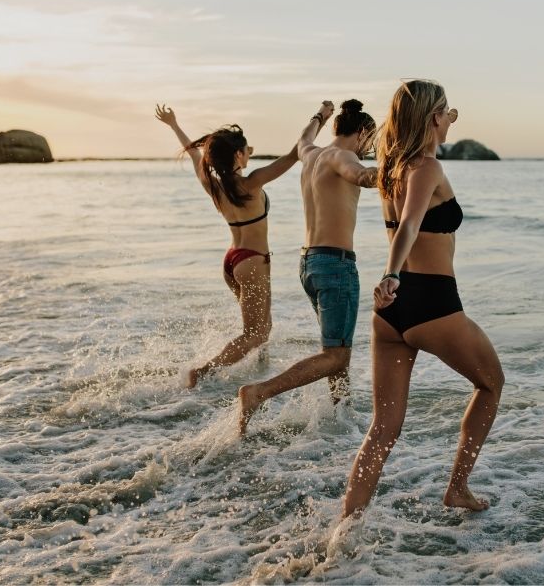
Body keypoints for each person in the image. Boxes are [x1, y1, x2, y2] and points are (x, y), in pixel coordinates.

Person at [342, 81, 505, 515]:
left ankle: (345, 525)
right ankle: (458, 488)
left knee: (383, 428)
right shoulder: (427, 168)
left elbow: (404, 221)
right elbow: (411, 225)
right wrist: (391, 273)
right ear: (433, 118)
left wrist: (446, 119)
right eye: (446, 112)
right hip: (433, 304)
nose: (451, 118)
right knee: (491, 384)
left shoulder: (392, 169)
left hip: (391, 315)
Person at [155, 102, 334, 388]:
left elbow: (193, 153)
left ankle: (258, 371)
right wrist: (320, 117)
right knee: (255, 334)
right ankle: (201, 373)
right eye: (247, 148)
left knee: (261, 328)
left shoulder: (213, 185)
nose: (250, 151)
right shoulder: (251, 183)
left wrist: (174, 124)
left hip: (232, 261)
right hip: (252, 261)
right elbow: (295, 153)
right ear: (237, 154)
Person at [238, 99, 378, 436]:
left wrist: (320, 115)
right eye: (371, 140)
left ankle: (341, 415)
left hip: (309, 263)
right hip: (335, 264)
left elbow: (304, 135)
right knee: (336, 356)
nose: (370, 147)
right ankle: (259, 393)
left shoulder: (310, 152)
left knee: (335, 346)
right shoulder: (343, 156)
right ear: (361, 132)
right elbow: (362, 176)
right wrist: (402, 164)